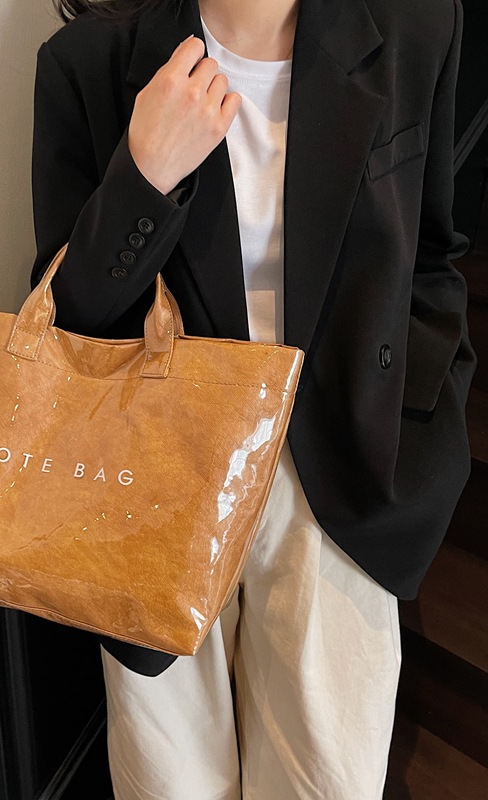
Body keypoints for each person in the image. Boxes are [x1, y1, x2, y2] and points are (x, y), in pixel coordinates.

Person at [29, 0, 475, 796]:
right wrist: (144, 177)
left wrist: (417, 434)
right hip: (153, 487)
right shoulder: (89, 60)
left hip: (342, 475)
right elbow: (68, 326)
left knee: (326, 783)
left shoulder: (415, 24)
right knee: (170, 784)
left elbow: (433, 255)